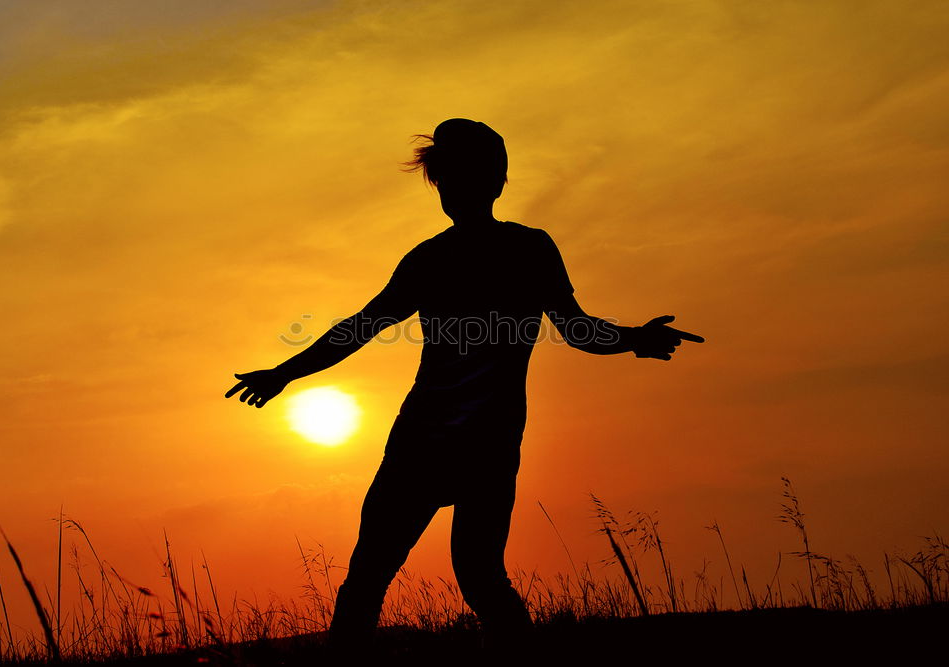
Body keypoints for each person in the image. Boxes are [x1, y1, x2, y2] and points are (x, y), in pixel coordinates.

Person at [225, 118, 703, 651]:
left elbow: (575, 328)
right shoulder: (435, 258)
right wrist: (284, 374)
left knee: (458, 575)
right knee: (381, 573)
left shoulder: (520, 249)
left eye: (460, 177)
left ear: (496, 182)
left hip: (480, 443)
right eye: (444, 179)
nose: (450, 190)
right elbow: (361, 327)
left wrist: (634, 339)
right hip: (431, 440)